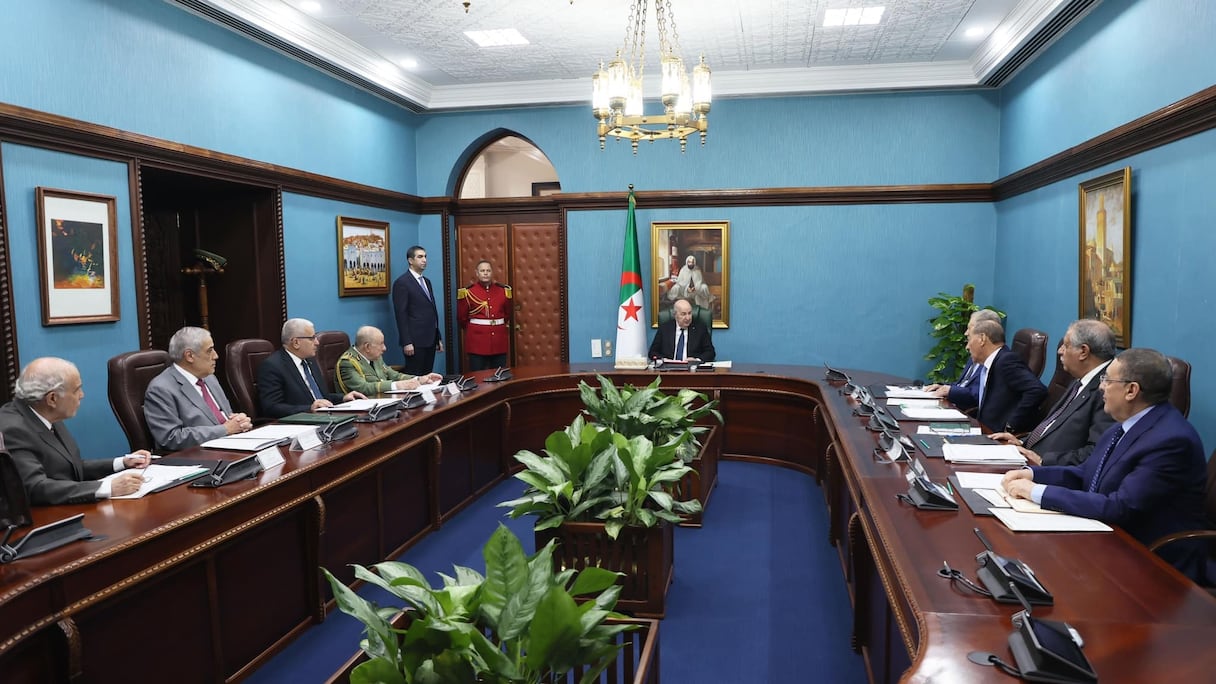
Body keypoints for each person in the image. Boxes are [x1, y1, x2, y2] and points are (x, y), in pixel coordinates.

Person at [1001, 349, 1210, 583]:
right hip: (1106, 535)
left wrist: (1036, 492)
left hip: (1151, 560)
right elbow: (1086, 474)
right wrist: (1032, 474)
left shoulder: (1170, 440)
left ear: (1131, 390)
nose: (1101, 387)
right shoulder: (1123, 426)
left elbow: (1120, 507)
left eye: (1107, 380)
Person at [0, 357, 151, 504]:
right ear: (52, 399)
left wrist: (122, 463)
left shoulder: (47, 414)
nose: (82, 395)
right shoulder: (12, 429)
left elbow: (71, 467)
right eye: (76, 389)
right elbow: (35, 487)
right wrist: (107, 487)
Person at [988, 319, 1117, 465]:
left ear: (1083, 351)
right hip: (1029, 458)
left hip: (1050, 474)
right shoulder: (1079, 380)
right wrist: (1021, 442)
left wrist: (1043, 460)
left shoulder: (1108, 390)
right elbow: (1053, 428)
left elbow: (1096, 453)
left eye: (1066, 346)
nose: (1060, 351)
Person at [144, 326, 254, 452]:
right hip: (198, 456)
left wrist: (239, 421)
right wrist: (225, 429)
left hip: (230, 446)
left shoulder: (209, 378)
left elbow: (225, 418)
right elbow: (171, 438)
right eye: (209, 351)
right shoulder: (161, 389)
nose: (216, 356)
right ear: (189, 356)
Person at [257, 318, 365, 419]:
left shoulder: (310, 361)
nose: (317, 342)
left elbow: (321, 397)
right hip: (301, 424)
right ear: (296, 342)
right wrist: (309, 408)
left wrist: (343, 398)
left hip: (324, 418)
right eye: (312, 338)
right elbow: (271, 408)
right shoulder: (273, 366)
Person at [950, 319, 1046, 432]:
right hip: (983, 428)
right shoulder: (992, 361)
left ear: (982, 339)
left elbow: (1037, 390)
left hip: (996, 434)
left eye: (969, 339)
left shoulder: (1006, 360)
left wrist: (1011, 425)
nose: (967, 346)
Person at [924, 308, 1003, 405]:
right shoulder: (975, 354)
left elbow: (981, 396)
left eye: (969, 328)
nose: (966, 333)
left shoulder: (994, 361)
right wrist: (943, 387)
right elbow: (962, 385)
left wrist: (951, 391)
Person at [336, 325, 442, 395]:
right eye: (381, 344)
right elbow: (363, 388)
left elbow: (394, 375)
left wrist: (418, 379)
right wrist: (397, 385)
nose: (384, 348)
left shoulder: (375, 356)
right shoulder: (348, 363)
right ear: (367, 347)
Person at [392, 245, 443, 376]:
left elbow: (431, 310)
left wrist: (437, 337)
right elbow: (401, 314)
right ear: (410, 260)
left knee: (428, 377)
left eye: (425, 256)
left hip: (430, 339)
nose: (424, 260)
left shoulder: (427, 281)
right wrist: (406, 341)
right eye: (420, 257)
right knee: (416, 377)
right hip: (414, 341)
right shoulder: (402, 283)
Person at [456, 260, 512, 371]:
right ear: (477, 273)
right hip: (477, 343)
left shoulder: (503, 291)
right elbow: (462, 318)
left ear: (492, 273)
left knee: (499, 376)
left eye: (488, 270)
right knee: (478, 377)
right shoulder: (467, 292)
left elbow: (507, 314)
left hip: (498, 342)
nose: (485, 273)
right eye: (482, 271)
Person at [648, 298, 716, 363]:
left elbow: (710, 353)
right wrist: (664, 360)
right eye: (683, 314)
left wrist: (696, 360)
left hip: (692, 370)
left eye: (689, 313)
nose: (688, 318)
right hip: (668, 370)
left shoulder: (700, 329)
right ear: (675, 315)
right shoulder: (664, 329)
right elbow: (652, 352)